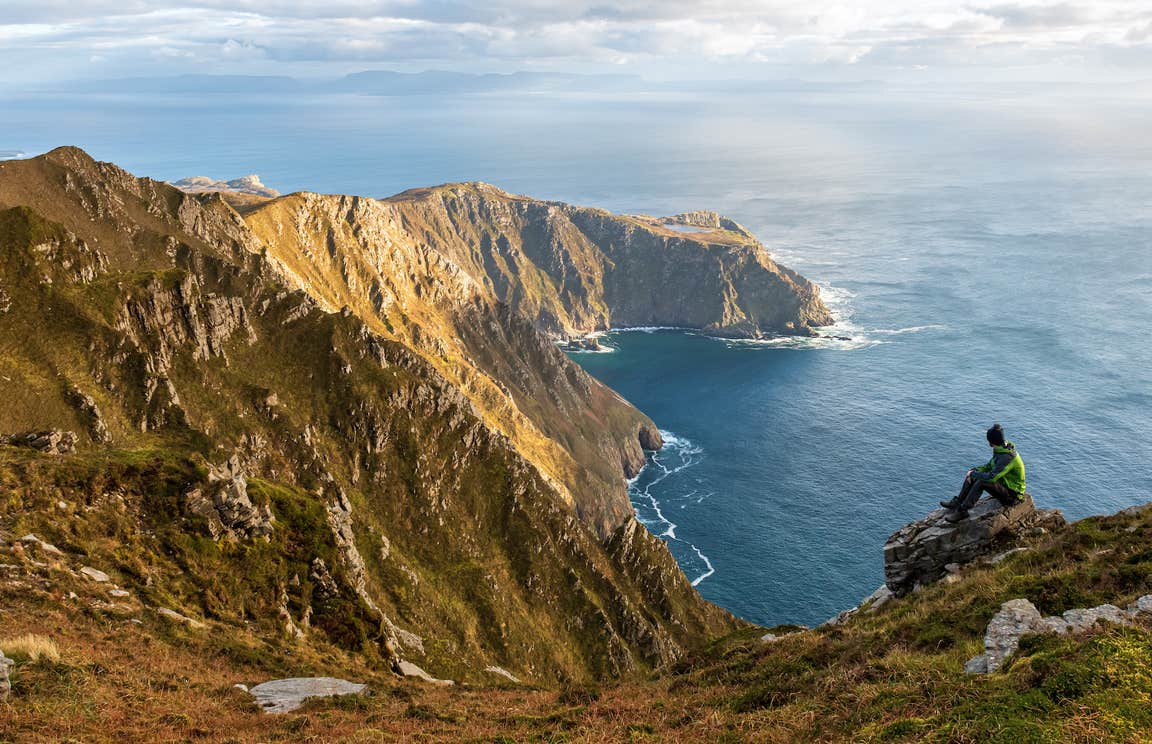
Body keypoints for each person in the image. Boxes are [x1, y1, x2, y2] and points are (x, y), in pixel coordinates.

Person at [939, 424, 1026, 523]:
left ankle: (963, 511)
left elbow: (992, 477)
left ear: (991, 441)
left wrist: (974, 474)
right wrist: (973, 471)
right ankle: (958, 502)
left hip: (1013, 495)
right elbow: (989, 466)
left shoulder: (1007, 457)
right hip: (1004, 485)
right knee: (974, 473)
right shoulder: (1001, 449)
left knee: (982, 481)